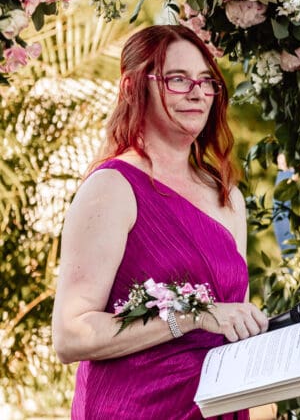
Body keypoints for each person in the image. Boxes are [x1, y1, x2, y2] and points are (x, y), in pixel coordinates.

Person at [52, 25, 268, 419]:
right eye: (178, 79)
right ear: (134, 88)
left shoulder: (227, 197)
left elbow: (233, 319)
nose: (198, 93)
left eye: (206, 81)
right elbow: (70, 334)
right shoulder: (112, 188)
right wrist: (190, 317)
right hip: (135, 409)